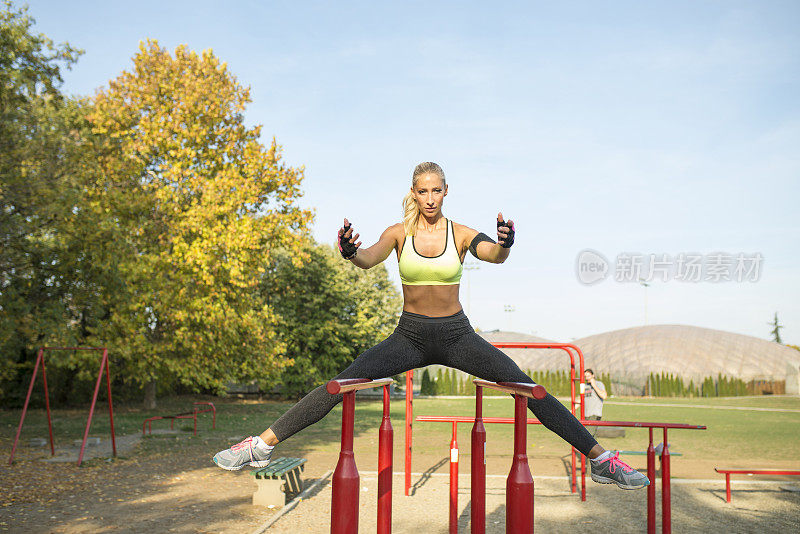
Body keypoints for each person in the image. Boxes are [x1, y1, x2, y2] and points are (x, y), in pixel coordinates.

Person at [212, 162, 649, 490]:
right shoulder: (398, 232)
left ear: (446, 191)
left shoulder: (459, 233)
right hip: (410, 337)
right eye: (423, 191)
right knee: (337, 386)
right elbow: (368, 257)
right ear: (414, 193)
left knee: (529, 388)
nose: (430, 198)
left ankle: (601, 458)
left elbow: (493, 256)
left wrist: (506, 243)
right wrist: (348, 251)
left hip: (458, 336)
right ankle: (260, 445)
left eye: (436, 190)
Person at [584, 368, 607, 436]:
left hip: (594, 414)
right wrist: (572, 409)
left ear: (593, 375)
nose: (587, 378)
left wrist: (594, 385)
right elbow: (580, 399)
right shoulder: (585, 386)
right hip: (586, 415)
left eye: (588, 376)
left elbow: (604, 396)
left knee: (587, 436)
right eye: (585, 376)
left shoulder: (599, 384)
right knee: (592, 438)